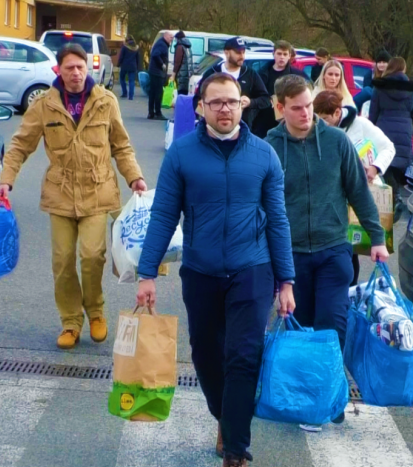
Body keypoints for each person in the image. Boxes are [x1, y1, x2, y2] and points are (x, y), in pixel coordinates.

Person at [136, 73, 296, 467]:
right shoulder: (182, 154)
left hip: (252, 270)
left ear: (243, 104)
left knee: (243, 355)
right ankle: (224, 415)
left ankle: (236, 449)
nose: (225, 109)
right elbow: (162, 216)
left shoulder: (264, 156)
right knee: (206, 355)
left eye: (232, 101)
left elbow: (278, 219)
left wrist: (286, 280)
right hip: (202, 270)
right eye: (216, 102)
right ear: (201, 108)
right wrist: (147, 273)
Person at [0, 44, 147, 349]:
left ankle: (95, 312)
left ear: (87, 68)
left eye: (81, 67)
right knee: (63, 261)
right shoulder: (44, 105)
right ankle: (70, 321)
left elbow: (121, 145)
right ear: (59, 71)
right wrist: (6, 181)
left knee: (92, 256)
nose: (76, 73)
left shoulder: (105, 101)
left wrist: (135, 177)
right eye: (70, 68)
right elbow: (20, 145)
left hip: (97, 190)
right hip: (61, 193)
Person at [265, 75, 387, 431]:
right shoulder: (268, 146)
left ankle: (329, 399)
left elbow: (359, 194)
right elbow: (258, 203)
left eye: (309, 105)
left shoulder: (336, 142)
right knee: (300, 330)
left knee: (332, 326)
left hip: (334, 248)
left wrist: (376, 238)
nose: (306, 114)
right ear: (280, 108)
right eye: (297, 108)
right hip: (291, 256)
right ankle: (308, 398)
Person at [314, 90, 396, 287]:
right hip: (330, 196)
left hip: (356, 192)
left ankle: (349, 291)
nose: (321, 124)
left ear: (337, 113)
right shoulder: (317, 129)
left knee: (352, 247)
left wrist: (375, 167)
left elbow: (388, 147)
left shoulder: (361, 124)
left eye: (325, 119)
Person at [368, 57, 413, 197]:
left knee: (385, 163)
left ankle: (392, 197)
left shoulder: (379, 86)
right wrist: (412, 128)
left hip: (383, 129)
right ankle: (395, 195)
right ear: (403, 69)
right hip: (404, 130)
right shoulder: (412, 88)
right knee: (399, 164)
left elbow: (373, 113)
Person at [192, 37, 271, 130]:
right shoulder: (212, 73)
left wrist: (251, 102)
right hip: (212, 129)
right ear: (227, 53)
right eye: (238, 52)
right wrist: (206, 114)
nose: (242, 56)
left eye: (243, 52)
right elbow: (197, 100)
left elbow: (266, 100)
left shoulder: (250, 74)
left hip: (241, 129)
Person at [252, 40, 309, 137]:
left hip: (287, 122)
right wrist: (266, 100)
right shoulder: (262, 74)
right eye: (279, 53)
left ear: (289, 56)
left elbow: (307, 94)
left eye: (285, 54)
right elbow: (255, 96)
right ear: (273, 54)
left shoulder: (297, 75)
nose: (282, 57)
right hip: (264, 121)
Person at [147, 31, 174, 120]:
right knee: (158, 93)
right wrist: (162, 64)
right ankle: (157, 113)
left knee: (153, 93)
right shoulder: (162, 44)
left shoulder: (162, 43)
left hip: (154, 71)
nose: (172, 39)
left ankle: (151, 113)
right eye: (171, 37)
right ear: (166, 36)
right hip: (157, 72)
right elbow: (155, 54)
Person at [172, 30, 194, 95]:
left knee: (180, 93)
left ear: (178, 38)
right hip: (187, 74)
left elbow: (177, 62)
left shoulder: (179, 47)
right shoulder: (187, 46)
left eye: (175, 39)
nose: (175, 40)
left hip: (181, 74)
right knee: (185, 93)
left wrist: (173, 74)